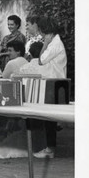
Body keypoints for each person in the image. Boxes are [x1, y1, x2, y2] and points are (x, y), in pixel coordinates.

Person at [32, 16, 67, 159]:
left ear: (47, 31)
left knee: (50, 120)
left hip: (55, 83)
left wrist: (45, 44)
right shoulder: (55, 42)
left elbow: (41, 60)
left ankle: (50, 149)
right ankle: (49, 147)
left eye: (42, 32)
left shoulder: (54, 44)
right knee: (49, 119)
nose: (40, 35)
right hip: (54, 82)